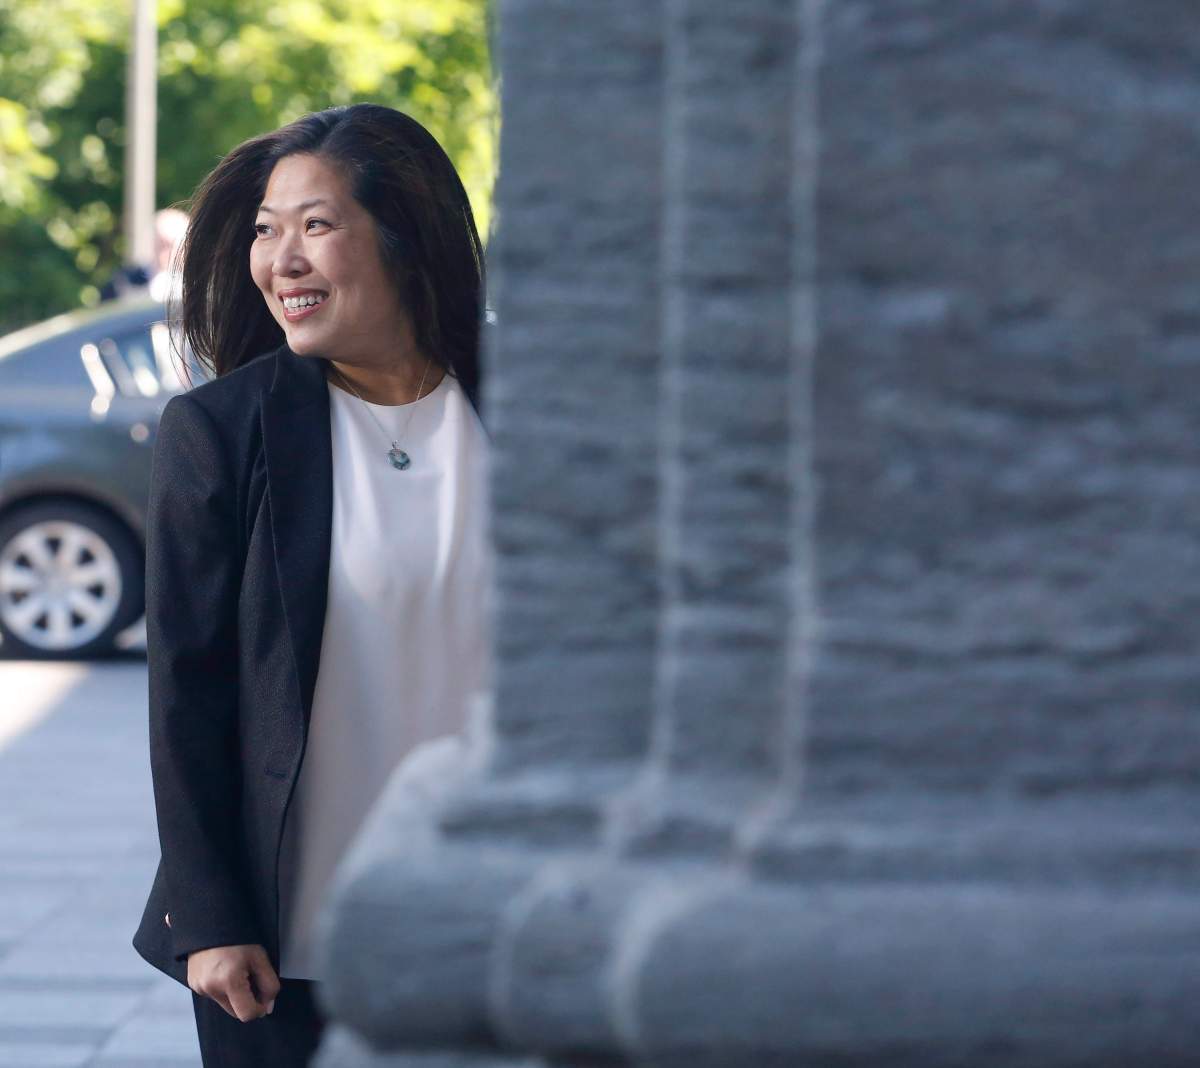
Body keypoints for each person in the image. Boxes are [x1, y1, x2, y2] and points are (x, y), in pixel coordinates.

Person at [130, 103, 492, 1067]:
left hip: (499, 919)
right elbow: (186, 692)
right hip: (284, 950)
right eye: (265, 230)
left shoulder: (528, 414)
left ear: (406, 239)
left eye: (316, 225)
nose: (279, 259)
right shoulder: (219, 432)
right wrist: (208, 918)